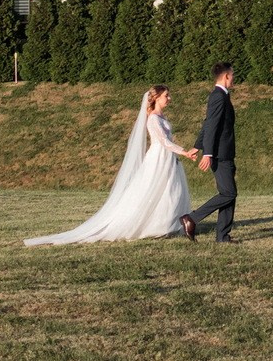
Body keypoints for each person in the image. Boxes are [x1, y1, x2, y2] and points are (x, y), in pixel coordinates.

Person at [24, 87, 197, 245]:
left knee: (170, 190)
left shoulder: (162, 117)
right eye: (166, 96)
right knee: (154, 190)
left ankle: (167, 223)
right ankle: (154, 225)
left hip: (167, 157)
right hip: (158, 158)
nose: (169, 98)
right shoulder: (152, 119)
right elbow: (164, 142)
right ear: (157, 98)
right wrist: (185, 152)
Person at [180, 62, 238, 243]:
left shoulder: (222, 95)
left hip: (225, 152)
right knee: (229, 193)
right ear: (226, 76)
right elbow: (211, 126)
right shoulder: (218, 96)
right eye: (233, 75)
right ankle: (191, 218)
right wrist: (208, 153)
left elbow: (208, 123)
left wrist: (197, 146)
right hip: (219, 154)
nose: (234, 78)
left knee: (228, 193)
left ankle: (223, 236)